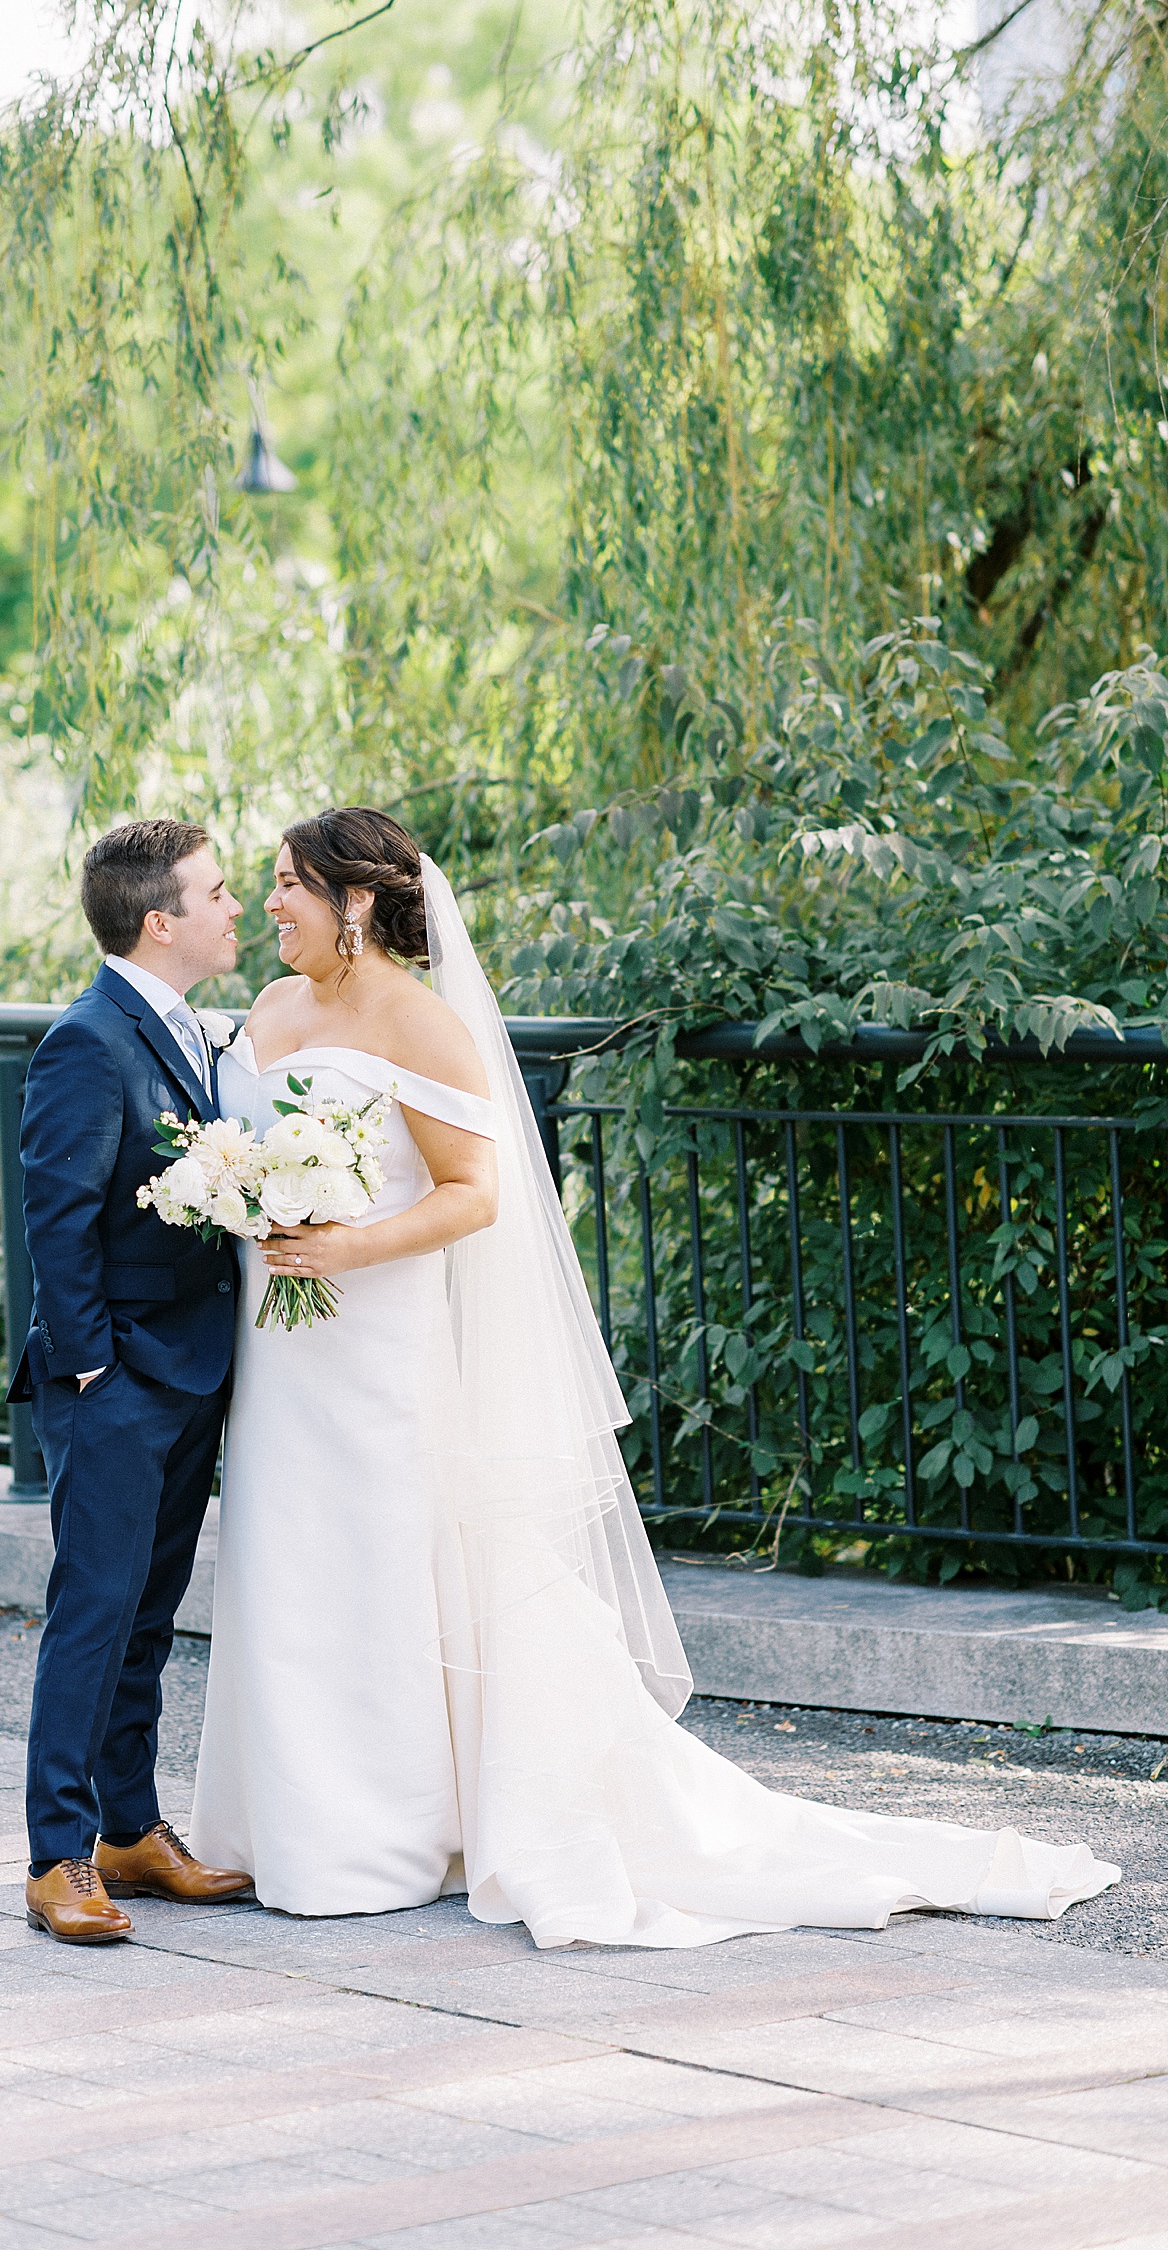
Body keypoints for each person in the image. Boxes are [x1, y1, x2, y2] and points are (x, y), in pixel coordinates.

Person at [187, 806, 1120, 1949]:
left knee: (382, 1558)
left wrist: (345, 1245)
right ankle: (280, 1823)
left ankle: (381, 1835)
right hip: (283, 1350)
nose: (270, 902)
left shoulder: (420, 1023)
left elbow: (474, 1195)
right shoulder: (273, 1008)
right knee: (285, 1557)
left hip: (379, 1343)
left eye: (287, 884)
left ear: (358, 900)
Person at [14, 819, 255, 1943]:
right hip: (115, 1380)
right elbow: (54, 1225)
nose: (234, 908)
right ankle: (55, 1856)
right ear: (160, 922)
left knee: (149, 1617)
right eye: (216, 894)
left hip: (192, 1369)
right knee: (94, 1613)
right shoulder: (86, 1040)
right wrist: (95, 1365)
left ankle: (130, 1831)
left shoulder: (198, 1031)